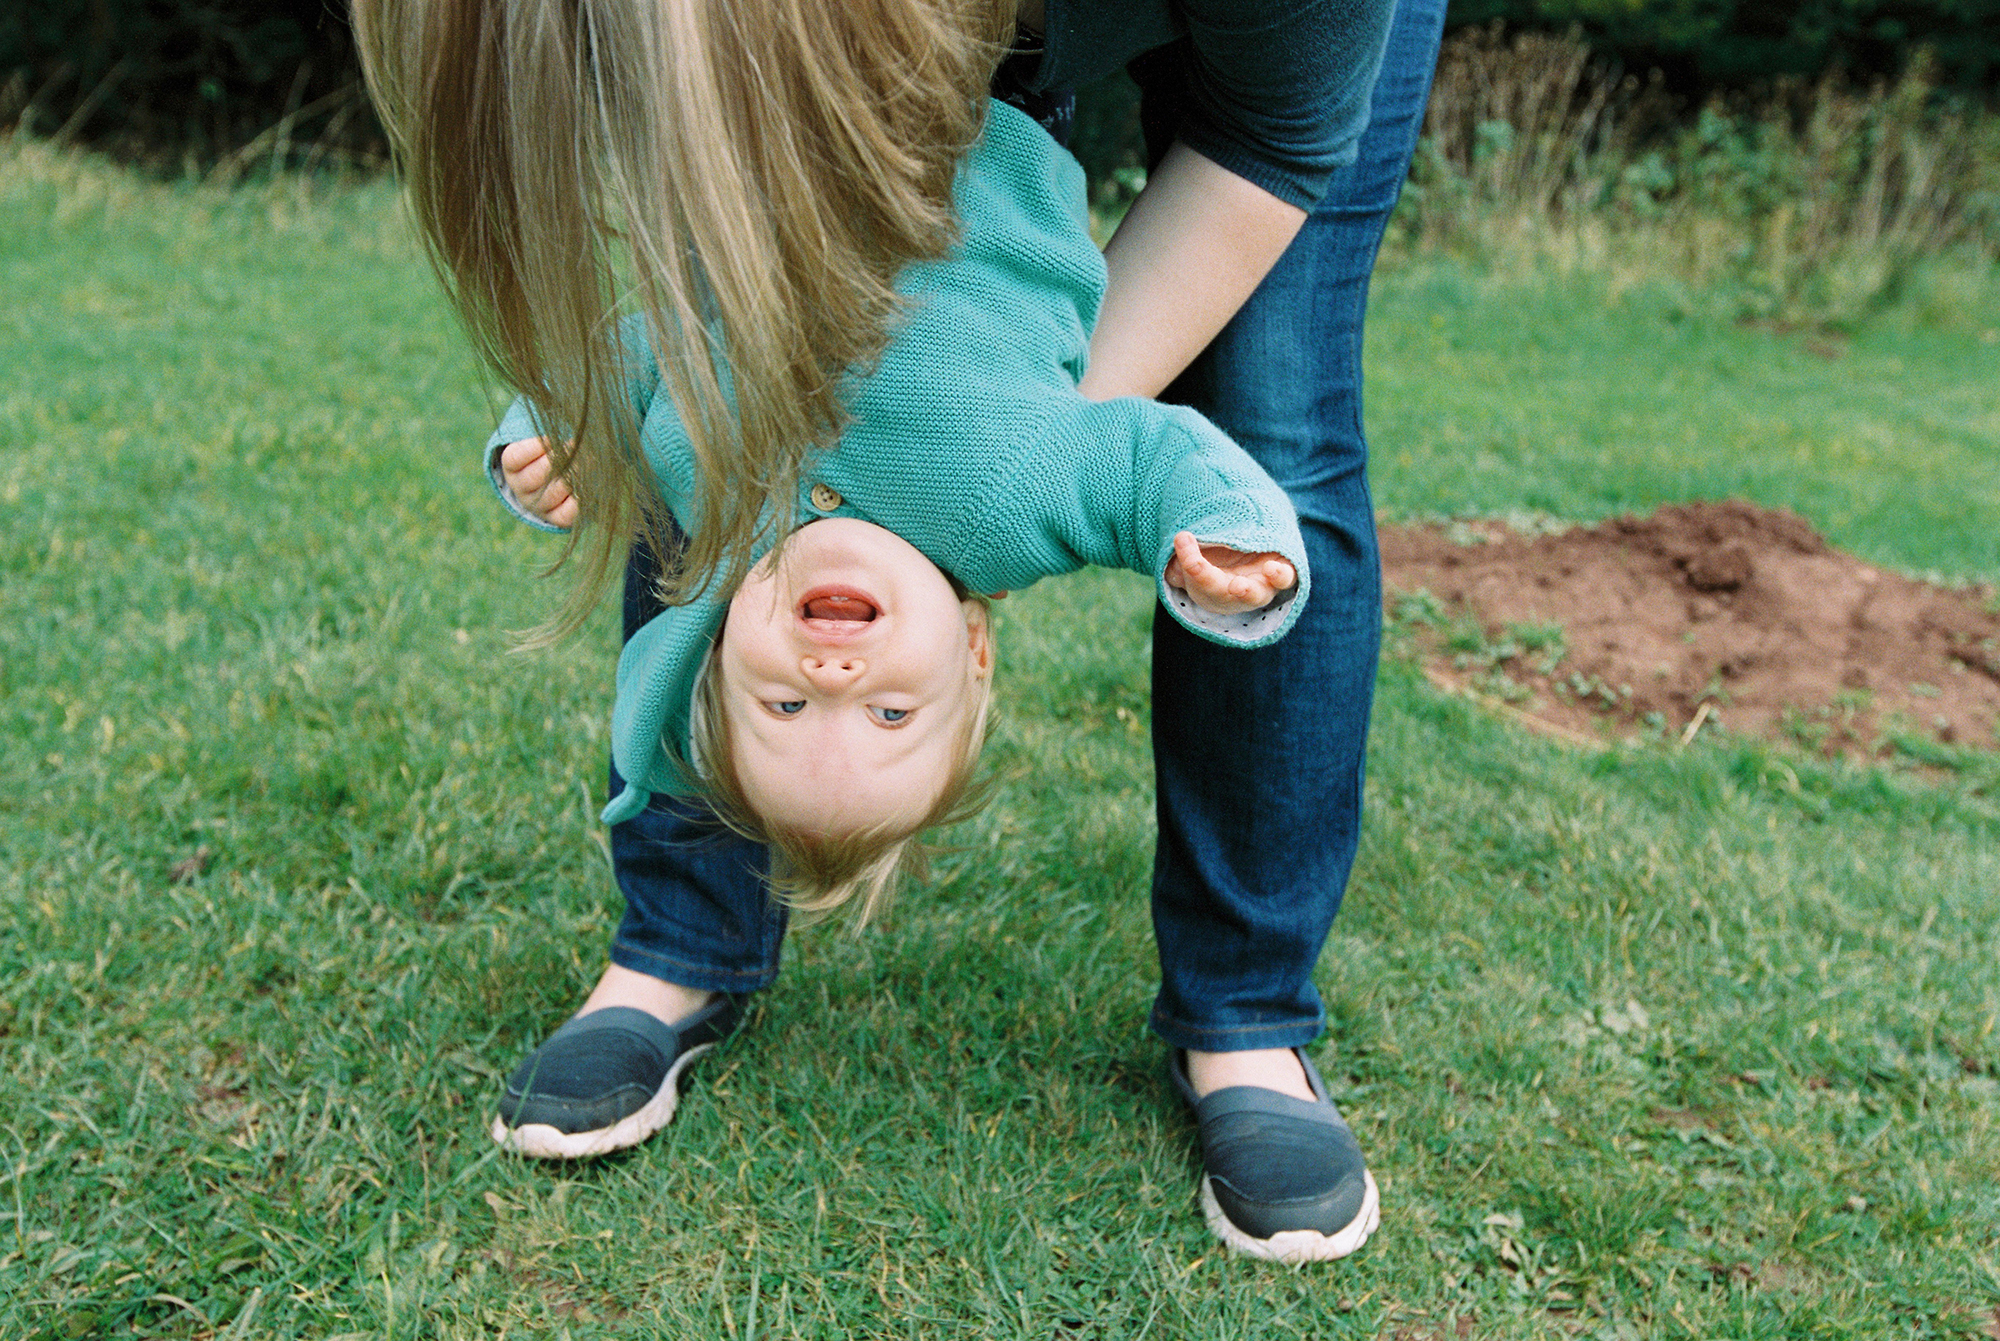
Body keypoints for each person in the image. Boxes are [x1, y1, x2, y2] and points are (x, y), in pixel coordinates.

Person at [352, 0, 1446, 1264]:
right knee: (1259, 480)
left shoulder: (732, 507)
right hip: (991, 132)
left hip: (1275, 75)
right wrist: (1087, 476)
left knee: (1273, 408)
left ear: (710, 644)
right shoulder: (1009, 501)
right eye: (884, 708)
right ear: (969, 651)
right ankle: (679, 947)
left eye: (782, 702)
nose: (829, 669)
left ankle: (1242, 1014)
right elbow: (1144, 469)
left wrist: (559, 438)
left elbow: (639, 360)